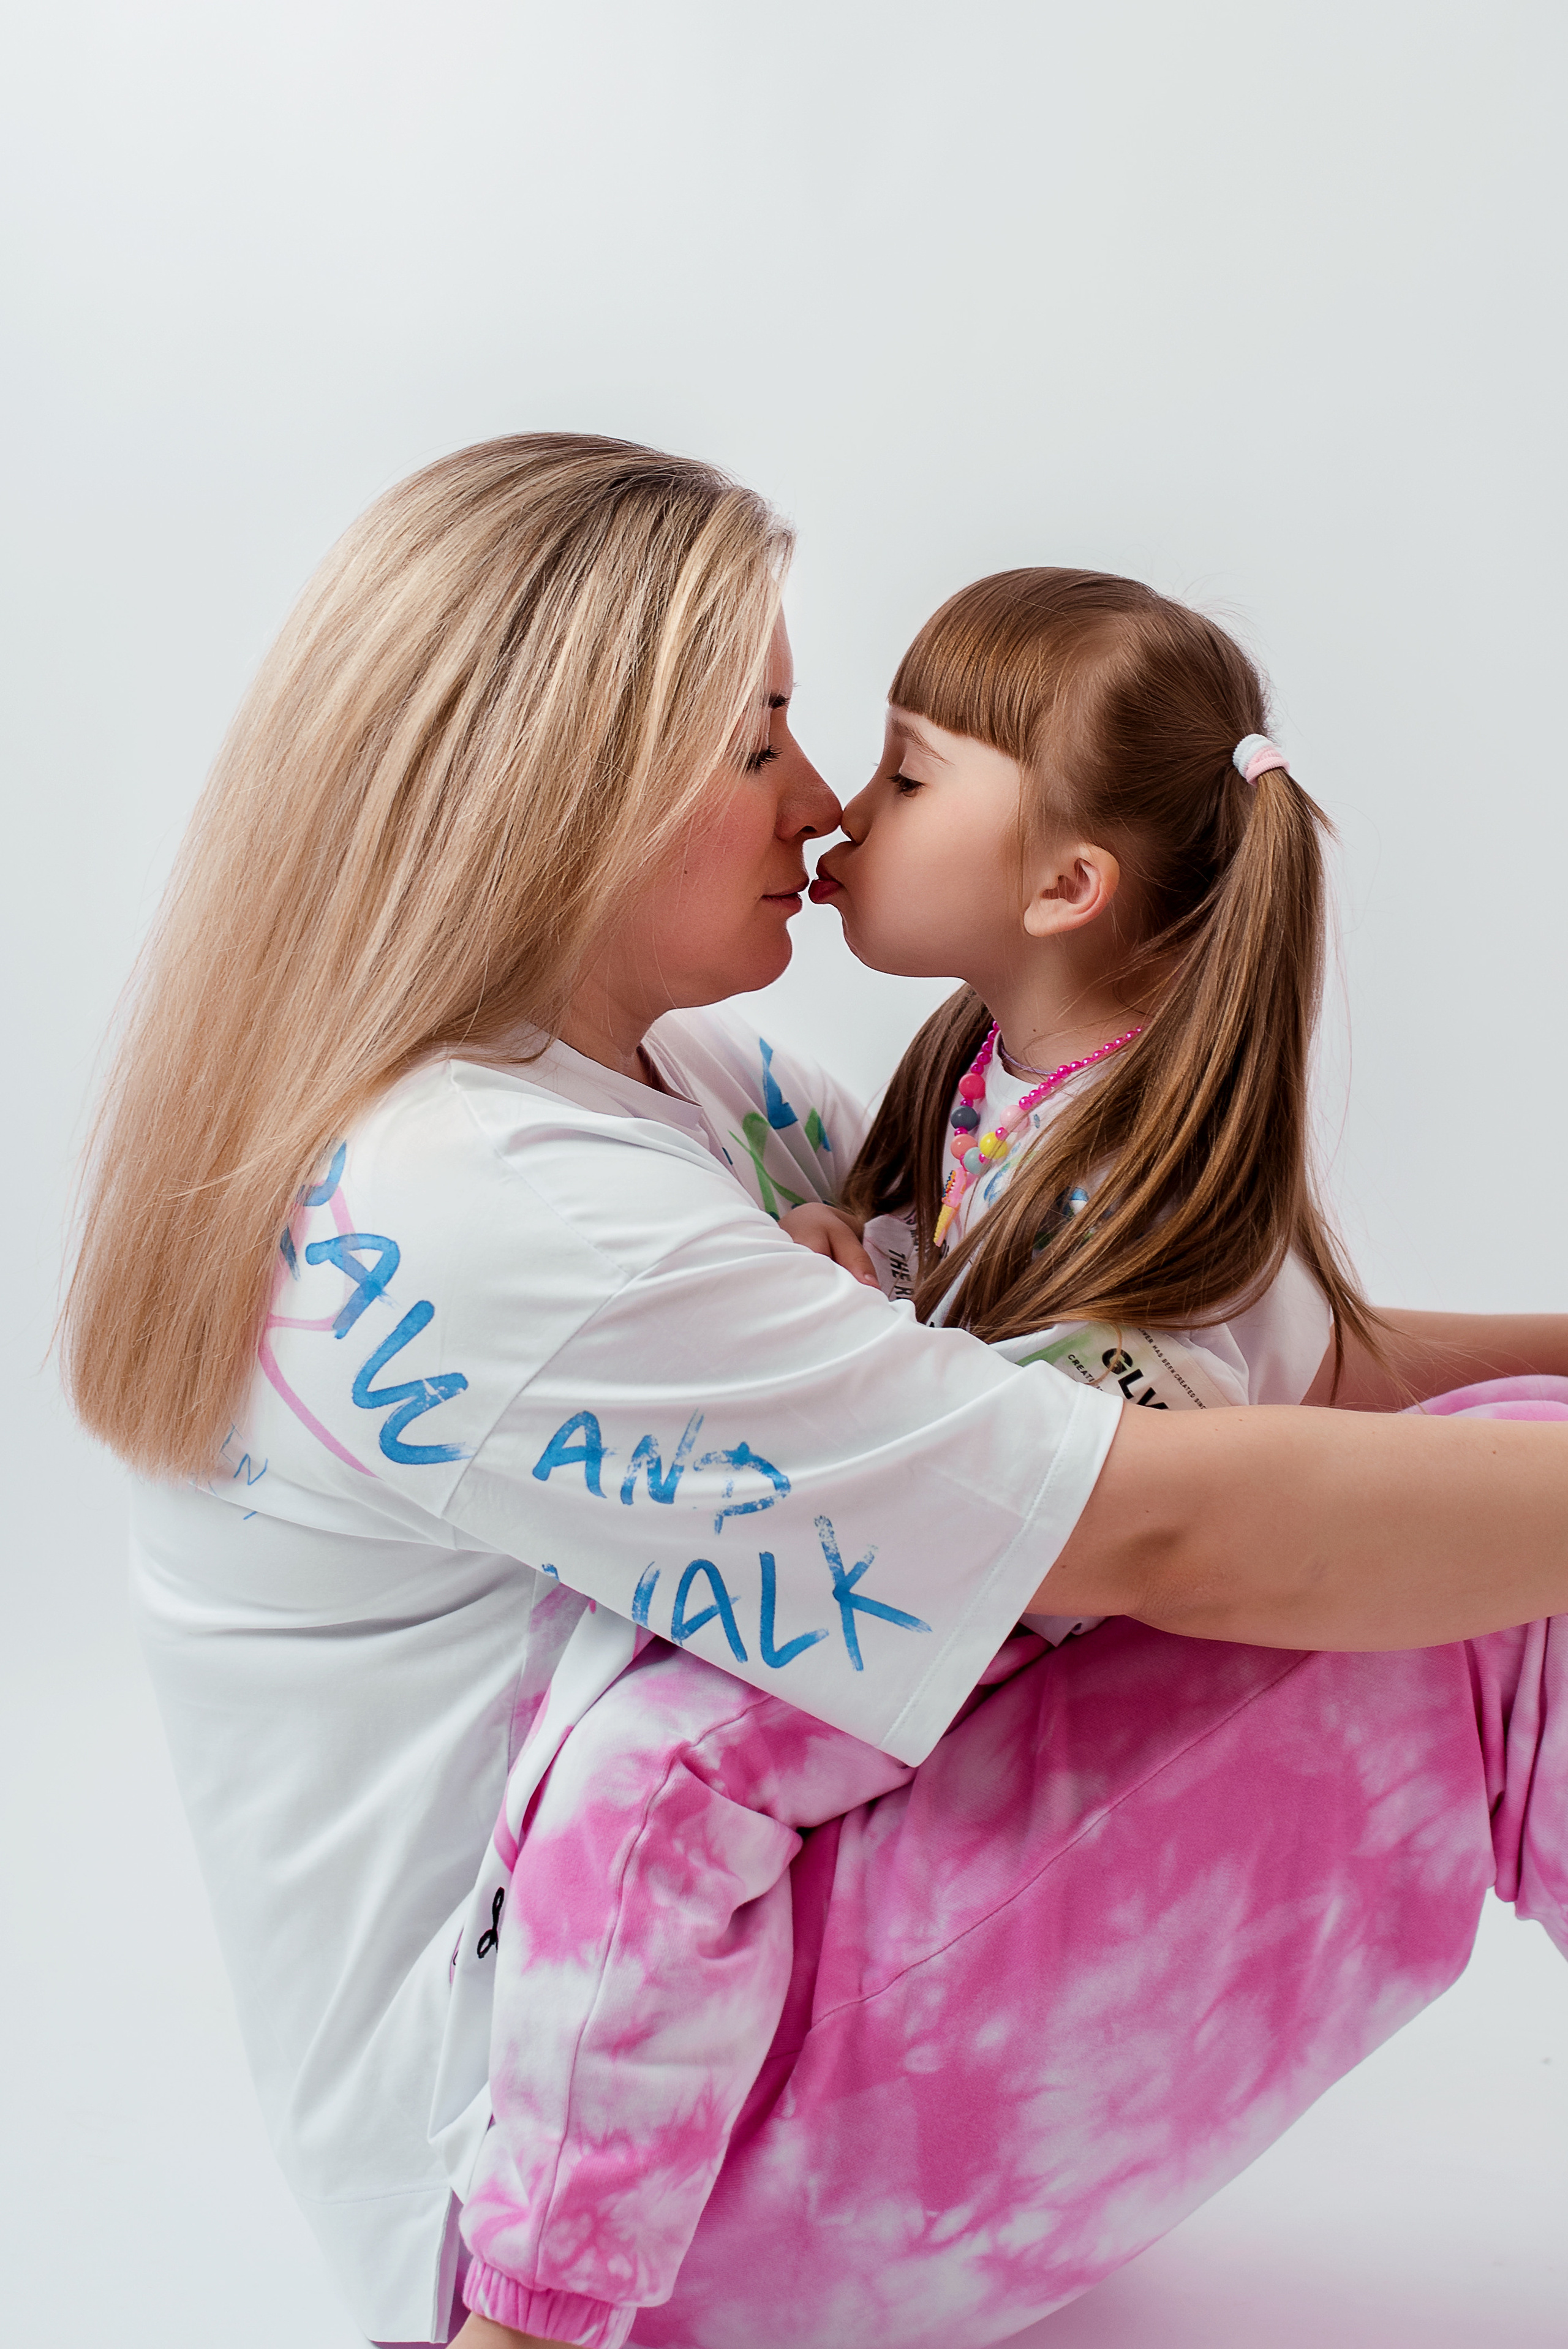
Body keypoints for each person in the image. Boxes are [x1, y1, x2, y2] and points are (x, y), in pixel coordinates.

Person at [59, 435, 1568, 2349]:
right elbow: (1161, 1504)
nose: (823, 796)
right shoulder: (509, 1216)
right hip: (616, 2198)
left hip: (691, 2051)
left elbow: (1201, 1356)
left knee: (1483, 1499)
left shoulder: (671, 1096)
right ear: (577, 781)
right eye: (761, 733)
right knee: (1515, 1582)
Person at [455, 569, 1568, 2346]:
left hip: (1013, 1586)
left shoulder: (1122, 1144)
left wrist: (869, 1334)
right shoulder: (991, 1068)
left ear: (1065, 884)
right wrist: (864, 1271)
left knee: (649, 1777)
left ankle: (527, 2308)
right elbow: (1016, 1318)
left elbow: (1115, 1429)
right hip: (985, 1561)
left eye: (903, 775)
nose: (835, 809)